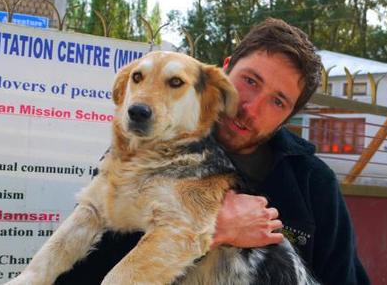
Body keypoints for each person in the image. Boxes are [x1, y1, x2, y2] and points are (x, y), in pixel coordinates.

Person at [55, 18, 370, 285]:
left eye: (278, 101)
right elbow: (76, 273)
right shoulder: (149, 147)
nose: (250, 107)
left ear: (288, 117)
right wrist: (211, 230)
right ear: (224, 71)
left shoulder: (313, 183)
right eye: (249, 81)